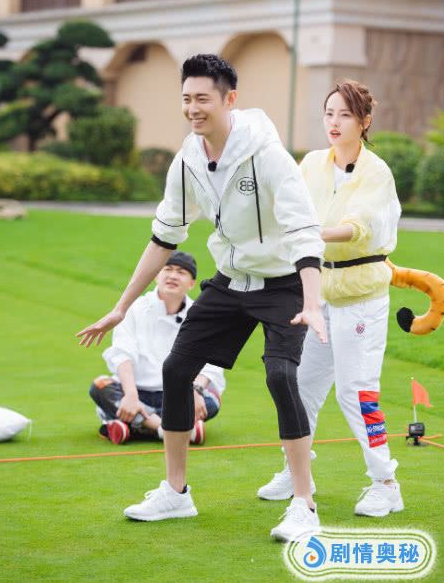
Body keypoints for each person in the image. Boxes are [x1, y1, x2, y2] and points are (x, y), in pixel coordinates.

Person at [77, 54, 326, 542]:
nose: (193, 108)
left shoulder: (268, 155)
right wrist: (121, 306)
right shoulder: (188, 159)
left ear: (230, 99)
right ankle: (176, 493)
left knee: (281, 375)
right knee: (176, 369)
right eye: (186, 99)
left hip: (283, 283)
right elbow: (164, 236)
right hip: (231, 280)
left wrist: (312, 302)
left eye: (203, 99)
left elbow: (304, 231)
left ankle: (304, 503)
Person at [258, 80, 403, 518]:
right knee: (300, 386)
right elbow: (289, 205)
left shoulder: (376, 172)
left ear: (364, 121)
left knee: (358, 393)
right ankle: (296, 470)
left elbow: (360, 229)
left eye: (344, 114)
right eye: (329, 113)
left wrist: (310, 233)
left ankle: (386, 483)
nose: (334, 122)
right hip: (317, 294)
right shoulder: (312, 163)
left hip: (361, 296)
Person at [89, 251, 225, 446]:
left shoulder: (200, 315)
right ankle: (168, 429)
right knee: (100, 387)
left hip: (178, 395)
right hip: (136, 392)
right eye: (167, 269)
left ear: (192, 283)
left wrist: (194, 391)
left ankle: (132, 426)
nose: (173, 276)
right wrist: (131, 395)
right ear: (155, 276)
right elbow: (122, 353)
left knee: (211, 400)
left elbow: (212, 362)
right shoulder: (134, 308)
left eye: (181, 272)